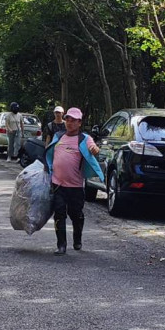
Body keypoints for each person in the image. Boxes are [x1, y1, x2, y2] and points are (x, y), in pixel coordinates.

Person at [44, 107, 103, 256]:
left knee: (76, 214)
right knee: (59, 214)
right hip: (57, 184)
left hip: (75, 187)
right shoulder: (58, 136)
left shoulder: (84, 138)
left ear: (79, 122)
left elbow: (93, 148)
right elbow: (49, 151)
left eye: (73, 120)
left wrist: (95, 150)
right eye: (68, 119)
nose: (69, 123)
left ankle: (77, 238)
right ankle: (61, 245)